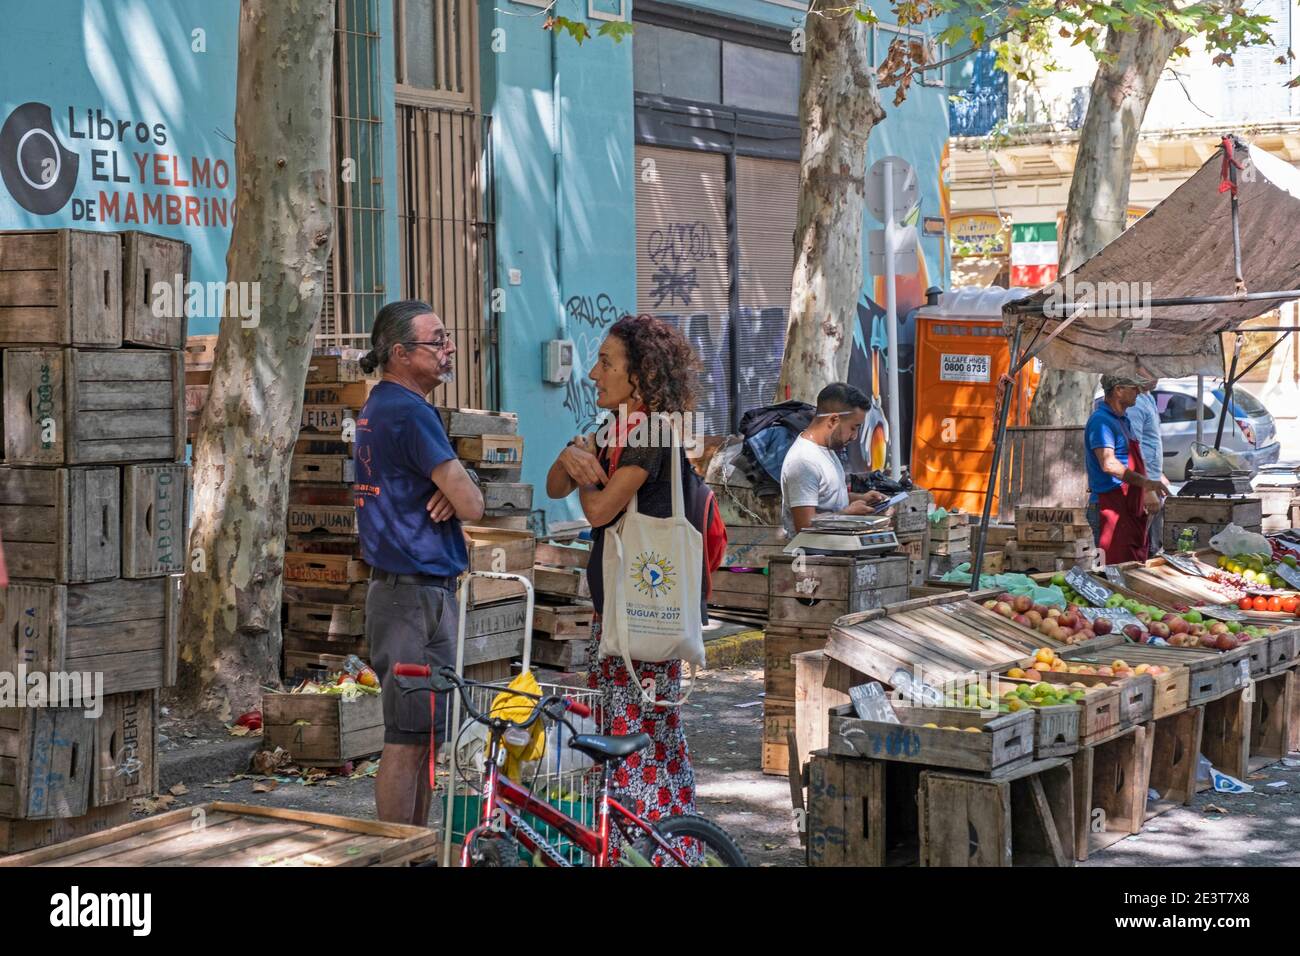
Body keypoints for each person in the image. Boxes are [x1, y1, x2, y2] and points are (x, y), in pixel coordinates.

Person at [545, 314, 703, 861]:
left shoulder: (650, 434)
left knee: (635, 739)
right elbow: (553, 481)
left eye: (606, 362)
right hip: (623, 613)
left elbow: (598, 509)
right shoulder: (615, 427)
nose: (593, 373)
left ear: (640, 375)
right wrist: (570, 458)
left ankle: (649, 849)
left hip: (641, 620)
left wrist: (581, 471)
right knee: (650, 734)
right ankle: (675, 846)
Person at [353, 300, 484, 825]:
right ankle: (397, 851)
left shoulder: (384, 405)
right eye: (437, 341)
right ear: (400, 353)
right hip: (411, 598)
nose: (448, 349)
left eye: (448, 338)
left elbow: (456, 494)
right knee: (407, 741)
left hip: (414, 592)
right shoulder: (407, 411)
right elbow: (474, 503)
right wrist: (456, 489)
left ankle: (417, 849)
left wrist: (450, 488)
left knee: (426, 738)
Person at [779, 382, 888, 536]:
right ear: (833, 420)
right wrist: (847, 514)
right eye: (853, 427)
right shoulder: (803, 461)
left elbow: (827, 498)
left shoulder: (826, 451)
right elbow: (804, 525)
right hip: (813, 557)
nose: (855, 436)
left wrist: (862, 498)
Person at [1085, 373, 1168, 565]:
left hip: (1128, 506)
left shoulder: (1124, 420)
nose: (1138, 391)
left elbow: (1136, 459)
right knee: (1106, 570)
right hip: (1107, 507)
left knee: (1132, 567)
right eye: (1134, 388)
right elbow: (1109, 464)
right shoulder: (1100, 421)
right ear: (1118, 390)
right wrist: (1146, 484)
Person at [1126, 378, 1167, 555]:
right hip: (1141, 484)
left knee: (1150, 544)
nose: (1156, 376)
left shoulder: (1147, 397)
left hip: (1152, 479)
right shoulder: (1134, 404)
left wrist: (1160, 474)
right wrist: (1146, 489)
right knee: (1137, 544)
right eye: (1150, 370)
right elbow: (1135, 449)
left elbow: (1152, 442)